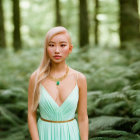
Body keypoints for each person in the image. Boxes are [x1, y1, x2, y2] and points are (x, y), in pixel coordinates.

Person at [28, 26, 88, 140]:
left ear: (70, 49)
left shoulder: (79, 78)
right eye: (51, 45)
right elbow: (31, 115)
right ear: (46, 48)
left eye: (62, 45)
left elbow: (83, 117)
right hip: (44, 134)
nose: (57, 50)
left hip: (71, 134)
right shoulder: (36, 78)